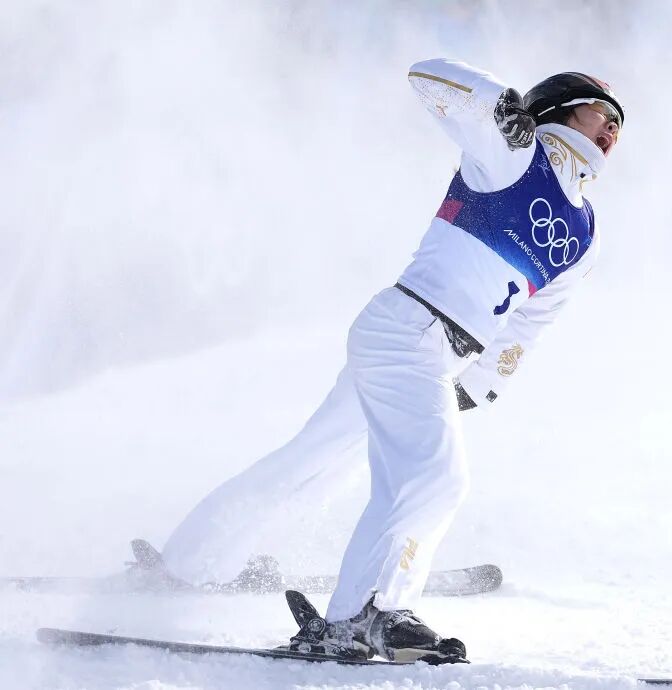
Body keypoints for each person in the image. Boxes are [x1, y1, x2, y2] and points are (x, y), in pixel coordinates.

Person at [158, 58, 624, 662]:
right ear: (559, 108)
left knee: (315, 462)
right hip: (411, 332)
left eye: (619, 125)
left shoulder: (585, 232)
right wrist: (497, 104)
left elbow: (531, 322)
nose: (611, 130)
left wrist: (482, 384)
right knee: (436, 476)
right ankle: (365, 614)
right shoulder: (513, 154)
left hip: (424, 347)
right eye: (600, 114)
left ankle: (191, 561)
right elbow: (428, 79)